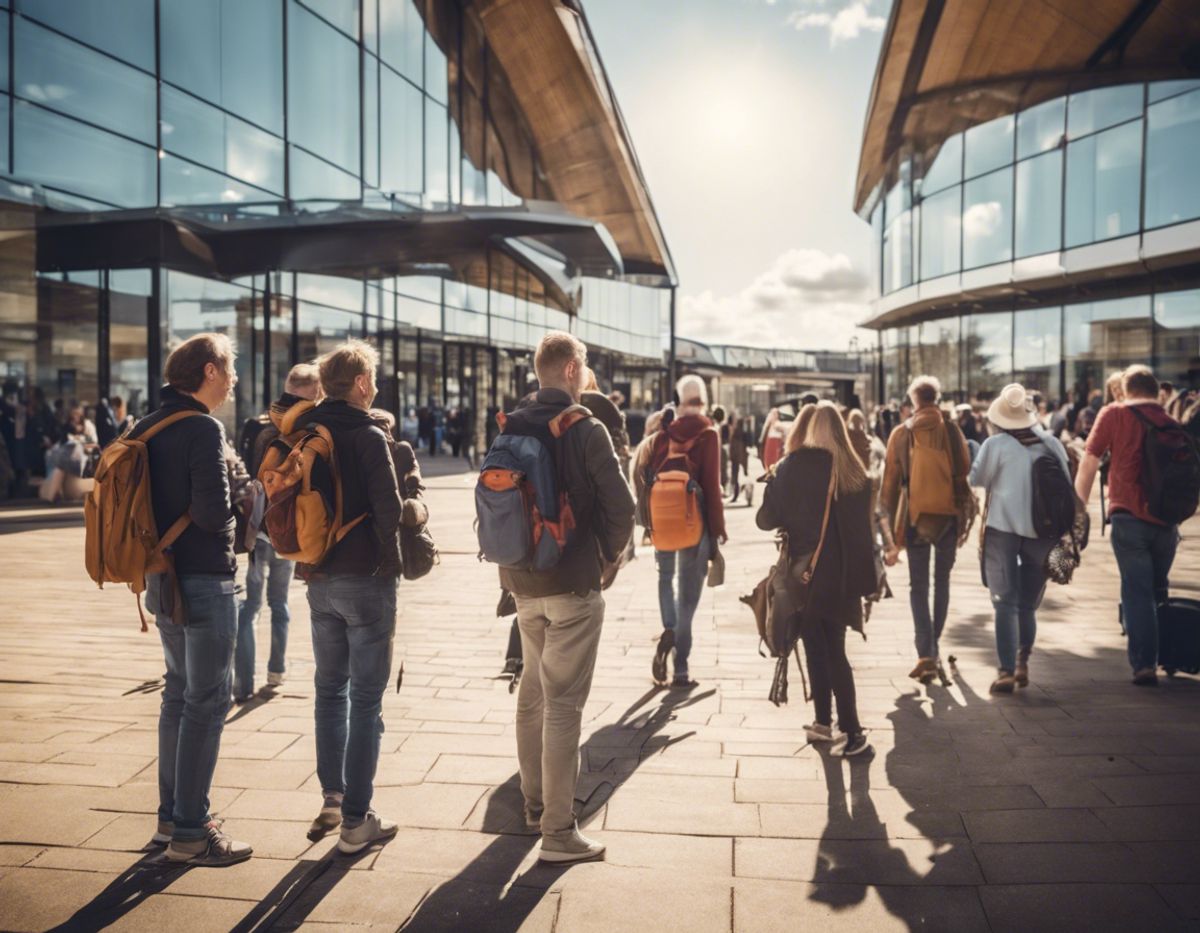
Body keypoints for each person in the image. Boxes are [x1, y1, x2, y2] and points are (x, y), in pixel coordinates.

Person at [501, 331, 635, 864]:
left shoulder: (512, 423)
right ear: (574, 368)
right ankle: (558, 832)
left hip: (522, 584)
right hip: (572, 582)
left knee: (532, 694)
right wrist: (609, 558)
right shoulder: (586, 427)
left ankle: (534, 805)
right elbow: (622, 507)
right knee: (563, 707)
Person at [139, 333, 251, 866]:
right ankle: (191, 830)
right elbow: (211, 513)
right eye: (229, 372)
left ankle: (169, 818)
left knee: (177, 695)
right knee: (207, 703)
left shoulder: (147, 424)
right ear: (209, 371)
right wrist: (242, 512)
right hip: (205, 577)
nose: (233, 382)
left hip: (160, 578)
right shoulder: (203, 428)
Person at [303, 341, 403, 852]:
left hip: (316, 578)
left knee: (329, 691)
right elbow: (390, 510)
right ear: (362, 383)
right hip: (365, 577)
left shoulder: (306, 431)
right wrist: (395, 568)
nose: (377, 386)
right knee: (365, 700)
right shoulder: (368, 433)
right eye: (375, 378)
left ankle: (333, 796)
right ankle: (357, 822)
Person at [756, 402, 875, 757]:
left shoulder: (791, 467)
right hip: (839, 578)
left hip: (801, 576)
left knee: (815, 647)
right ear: (839, 431)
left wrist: (774, 482)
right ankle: (837, 726)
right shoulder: (853, 471)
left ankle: (840, 726)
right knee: (834, 649)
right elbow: (860, 534)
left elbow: (765, 519)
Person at [1075, 366, 1183, 686]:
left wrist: (1078, 507)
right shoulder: (1170, 421)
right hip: (1167, 521)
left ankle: (1144, 664)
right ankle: (1170, 654)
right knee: (1157, 588)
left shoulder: (1114, 414)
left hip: (1129, 516)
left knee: (1137, 591)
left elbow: (1090, 461)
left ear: (1126, 388)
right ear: (1155, 391)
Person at [968, 384, 1070, 694]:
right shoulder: (1051, 443)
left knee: (1004, 602)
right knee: (1027, 606)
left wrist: (975, 450)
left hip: (1002, 530)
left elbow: (976, 479)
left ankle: (1006, 671)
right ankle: (1023, 661)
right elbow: (1066, 483)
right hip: (1044, 532)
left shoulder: (995, 444)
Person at [232, 363, 321, 703]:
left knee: (251, 605)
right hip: (291, 532)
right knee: (279, 604)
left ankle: (243, 683)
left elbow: (243, 477)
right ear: (315, 394)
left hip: (259, 528)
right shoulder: (314, 430)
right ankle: (276, 671)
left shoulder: (256, 427)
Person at [881, 375, 970, 685]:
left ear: (913, 401)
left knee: (918, 585)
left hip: (915, 517)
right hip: (948, 514)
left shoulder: (901, 434)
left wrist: (888, 531)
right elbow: (965, 468)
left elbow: (889, 484)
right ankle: (932, 649)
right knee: (941, 581)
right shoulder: (953, 430)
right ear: (937, 398)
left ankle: (926, 653)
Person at [648, 375, 726, 688]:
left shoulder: (662, 433)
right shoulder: (708, 433)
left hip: (662, 519)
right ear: (704, 401)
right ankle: (680, 667)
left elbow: (647, 476)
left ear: (679, 402)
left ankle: (668, 629)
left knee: (665, 578)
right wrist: (718, 530)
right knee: (688, 596)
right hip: (695, 523)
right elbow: (711, 484)